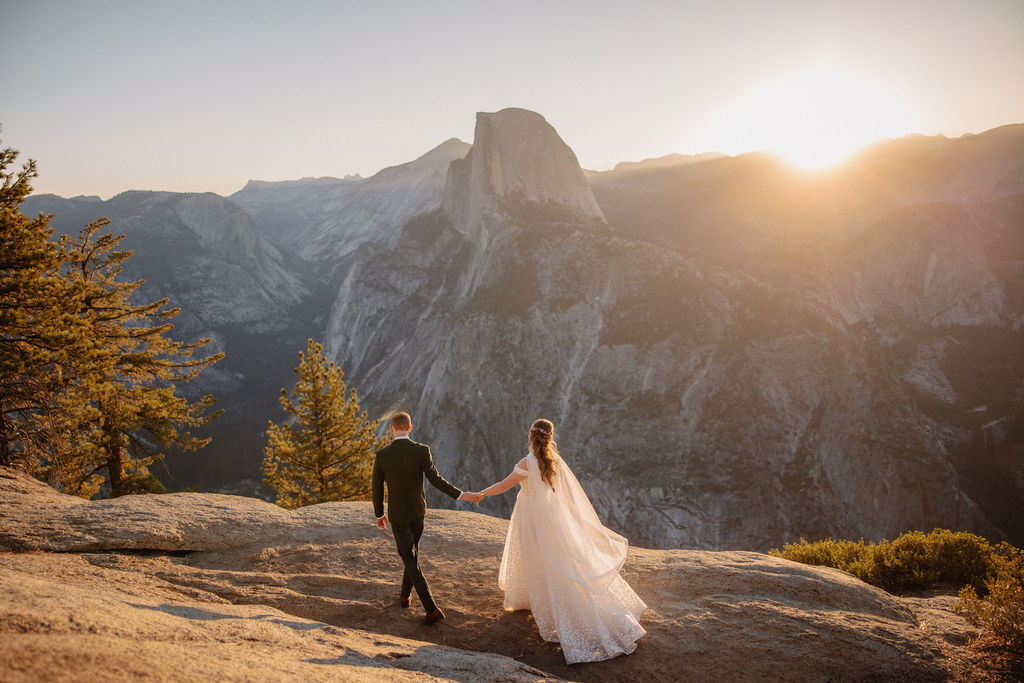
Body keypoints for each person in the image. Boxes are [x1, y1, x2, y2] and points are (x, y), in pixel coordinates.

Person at [472, 418, 646, 664]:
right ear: (550, 437)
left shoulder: (526, 463)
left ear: (530, 436)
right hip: (551, 516)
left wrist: (481, 493)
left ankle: (539, 598)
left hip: (531, 516)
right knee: (556, 558)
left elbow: (503, 485)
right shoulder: (553, 459)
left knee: (532, 556)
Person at [372, 411, 480, 624]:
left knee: (409, 557)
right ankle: (404, 596)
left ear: (391, 429)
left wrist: (379, 514)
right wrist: (461, 495)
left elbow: (376, 488)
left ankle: (431, 609)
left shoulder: (382, 455)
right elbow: (436, 480)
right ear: (410, 428)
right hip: (418, 513)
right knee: (410, 555)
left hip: (398, 516)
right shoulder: (422, 451)